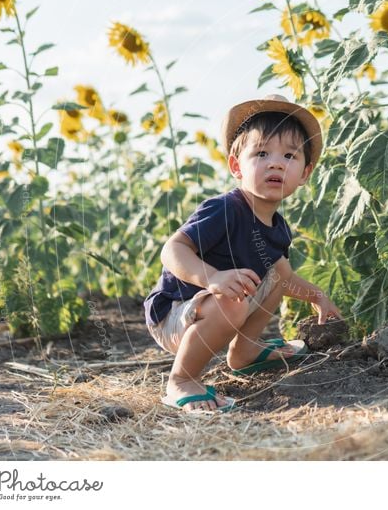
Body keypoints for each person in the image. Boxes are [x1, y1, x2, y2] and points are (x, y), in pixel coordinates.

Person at [143, 94, 342, 412]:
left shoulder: (277, 228)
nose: (276, 162)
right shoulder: (225, 208)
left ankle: (245, 351)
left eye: (290, 156)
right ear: (237, 166)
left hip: (213, 308)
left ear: (305, 173)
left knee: (279, 272)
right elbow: (172, 250)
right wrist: (213, 278)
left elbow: (285, 281)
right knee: (234, 300)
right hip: (174, 313)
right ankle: (181, 380)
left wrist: (316, 295)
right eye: (262, 153)